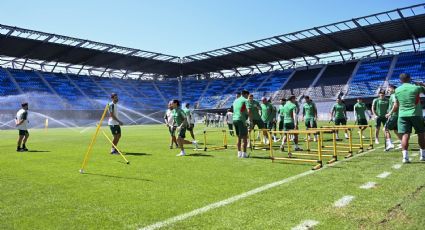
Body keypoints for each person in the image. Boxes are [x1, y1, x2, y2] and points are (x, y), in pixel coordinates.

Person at [390, 73, 425, 163]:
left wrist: (390, 113)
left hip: (402, 115)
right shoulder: (416, 88)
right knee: (421, 134)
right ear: (409, 78)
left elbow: (396, 105)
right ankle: (423, 156)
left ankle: (405, 157)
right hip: (416, 114)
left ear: (400, 80)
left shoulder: (397, 90)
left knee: (405, 135)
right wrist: (422, 84)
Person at [233, 90, 251, 158]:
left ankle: (239, 153)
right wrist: (250, 120)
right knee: (245, 137)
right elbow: (248, 110)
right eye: (248, 96)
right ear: (246, 94)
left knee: (238, 137)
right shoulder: (245, 100)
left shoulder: (235, 100)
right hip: (241, 120)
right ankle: (244, 154)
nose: (248, 97)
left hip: (235, 119)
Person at [384, 85, 402, 151]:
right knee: (396, 130)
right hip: (397, 115)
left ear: (393, 89)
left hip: (394, 115)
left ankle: (390, 144)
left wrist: (389, 113)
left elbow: (395, 104)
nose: (388, 90)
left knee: (385, 129)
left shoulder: (393, 95)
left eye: (389, 89)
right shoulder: (395, 95)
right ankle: (402, 143)